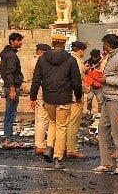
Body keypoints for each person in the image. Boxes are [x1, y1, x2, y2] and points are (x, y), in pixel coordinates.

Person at [29, 34, 81, 170]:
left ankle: (49, 147)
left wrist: (33, 97)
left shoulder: (42, 60)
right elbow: (76, 81)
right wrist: (79, 96)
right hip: (64, 98)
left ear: (52, 43)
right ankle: (58, 157)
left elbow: (36, 80)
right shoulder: (71, 60)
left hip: (48, 98)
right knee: (62, 127)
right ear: (64, 44)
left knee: (52, 122)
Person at [94, 34, 118, 175]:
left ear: (108, 44)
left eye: (104, 44)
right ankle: (106, 162)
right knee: (102, 131)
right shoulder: (111, 57)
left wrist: (106, 80)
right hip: (107, 99)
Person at [0, 33, 25, 149]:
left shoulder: (6, 54)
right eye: (18, 40)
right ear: (12, 41)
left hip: (9, 86)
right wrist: (13, 89)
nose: (20, 43)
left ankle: (7, 138)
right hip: (11, 88)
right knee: (10, 115)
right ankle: (9, 140)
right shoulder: (11, 56)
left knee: (8, 114)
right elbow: (10, 73)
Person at [64, 41, 89, 158]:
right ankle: (71, 148)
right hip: (75, 96)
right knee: (73, 123)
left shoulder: (68, 58)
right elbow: (77, 82)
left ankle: (64, 146)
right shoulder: (77, 61)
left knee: (66, 122)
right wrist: (82, 93)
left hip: (67, 95)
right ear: (80, 50)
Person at [30, 44, 54, 156]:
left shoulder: (33, 60)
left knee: (40, 120)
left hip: (38, 94)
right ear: (43, 52)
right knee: (43, 121)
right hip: (42, 94)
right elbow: (39, 81)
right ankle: (40, 146)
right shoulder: (39, 62)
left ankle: (40, 144)